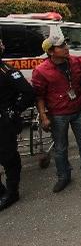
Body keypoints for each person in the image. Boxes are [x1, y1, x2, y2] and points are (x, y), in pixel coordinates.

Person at [31, 35, 81, 193]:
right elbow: (39, 97)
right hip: (58, 114)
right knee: (60, 148)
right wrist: (44, 117)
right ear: (51, 52)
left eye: (66, 43)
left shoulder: (75, 62)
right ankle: (63, 177)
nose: (66, 47)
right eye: (61, 46)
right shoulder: (41, 71)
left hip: (78, 110)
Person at [0, 38, 35, 211]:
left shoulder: (7, 71)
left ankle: (12, 192)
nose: (2, 45)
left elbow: (28, 93)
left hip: (4, 123)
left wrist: (15, 110)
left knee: (8, 158)